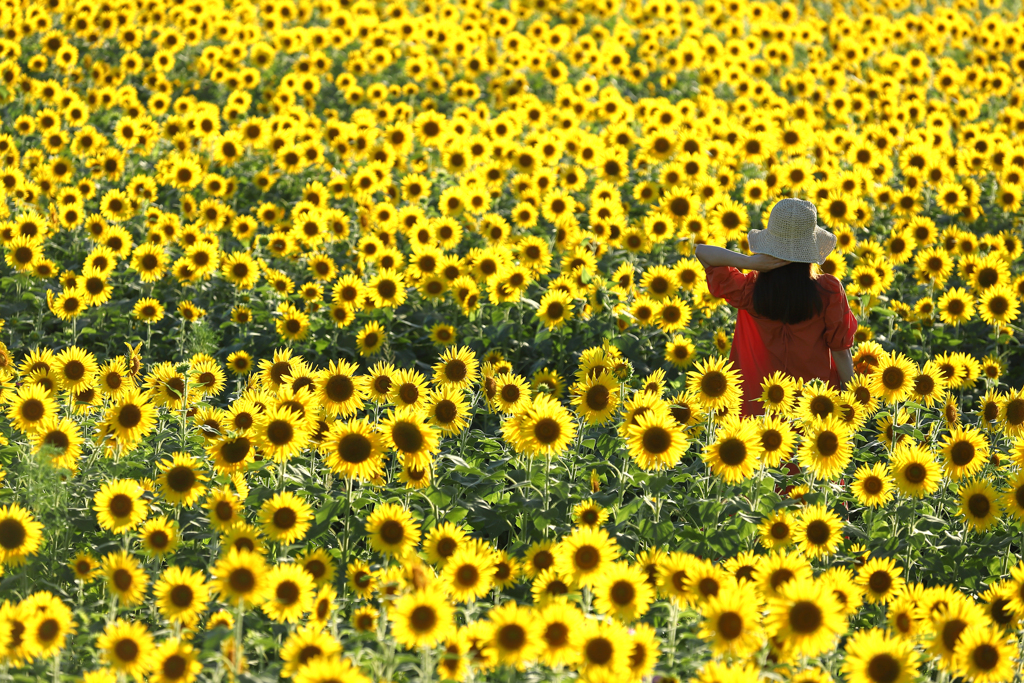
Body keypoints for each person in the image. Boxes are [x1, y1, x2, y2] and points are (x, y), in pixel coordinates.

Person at [694, 197, 857, 417]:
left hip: (760, 403)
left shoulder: (749, 290)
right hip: (814, 404)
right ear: (810, 247)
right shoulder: (828, 291)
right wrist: (852, 406)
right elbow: (841, 353)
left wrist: (749, 262)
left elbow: (702, 252)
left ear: (769, 246)